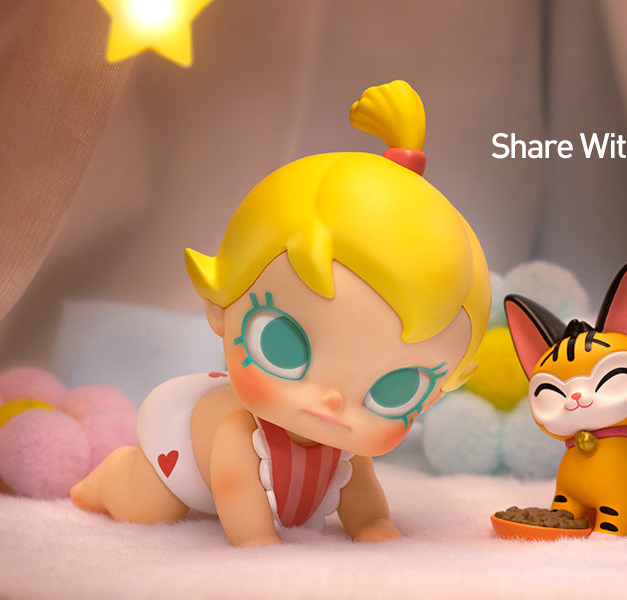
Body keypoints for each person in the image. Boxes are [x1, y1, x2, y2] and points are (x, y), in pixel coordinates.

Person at [70, 80, 491, 546]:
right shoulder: (238, 434)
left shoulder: (344, 444)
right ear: (220, 305)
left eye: (397, 390)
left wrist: (373, 525)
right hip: (182, 454)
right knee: (149, 507)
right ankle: (109, 478)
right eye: (282, 345)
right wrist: (258, 543)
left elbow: (361, 492)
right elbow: (235, 488)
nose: (332, 400)